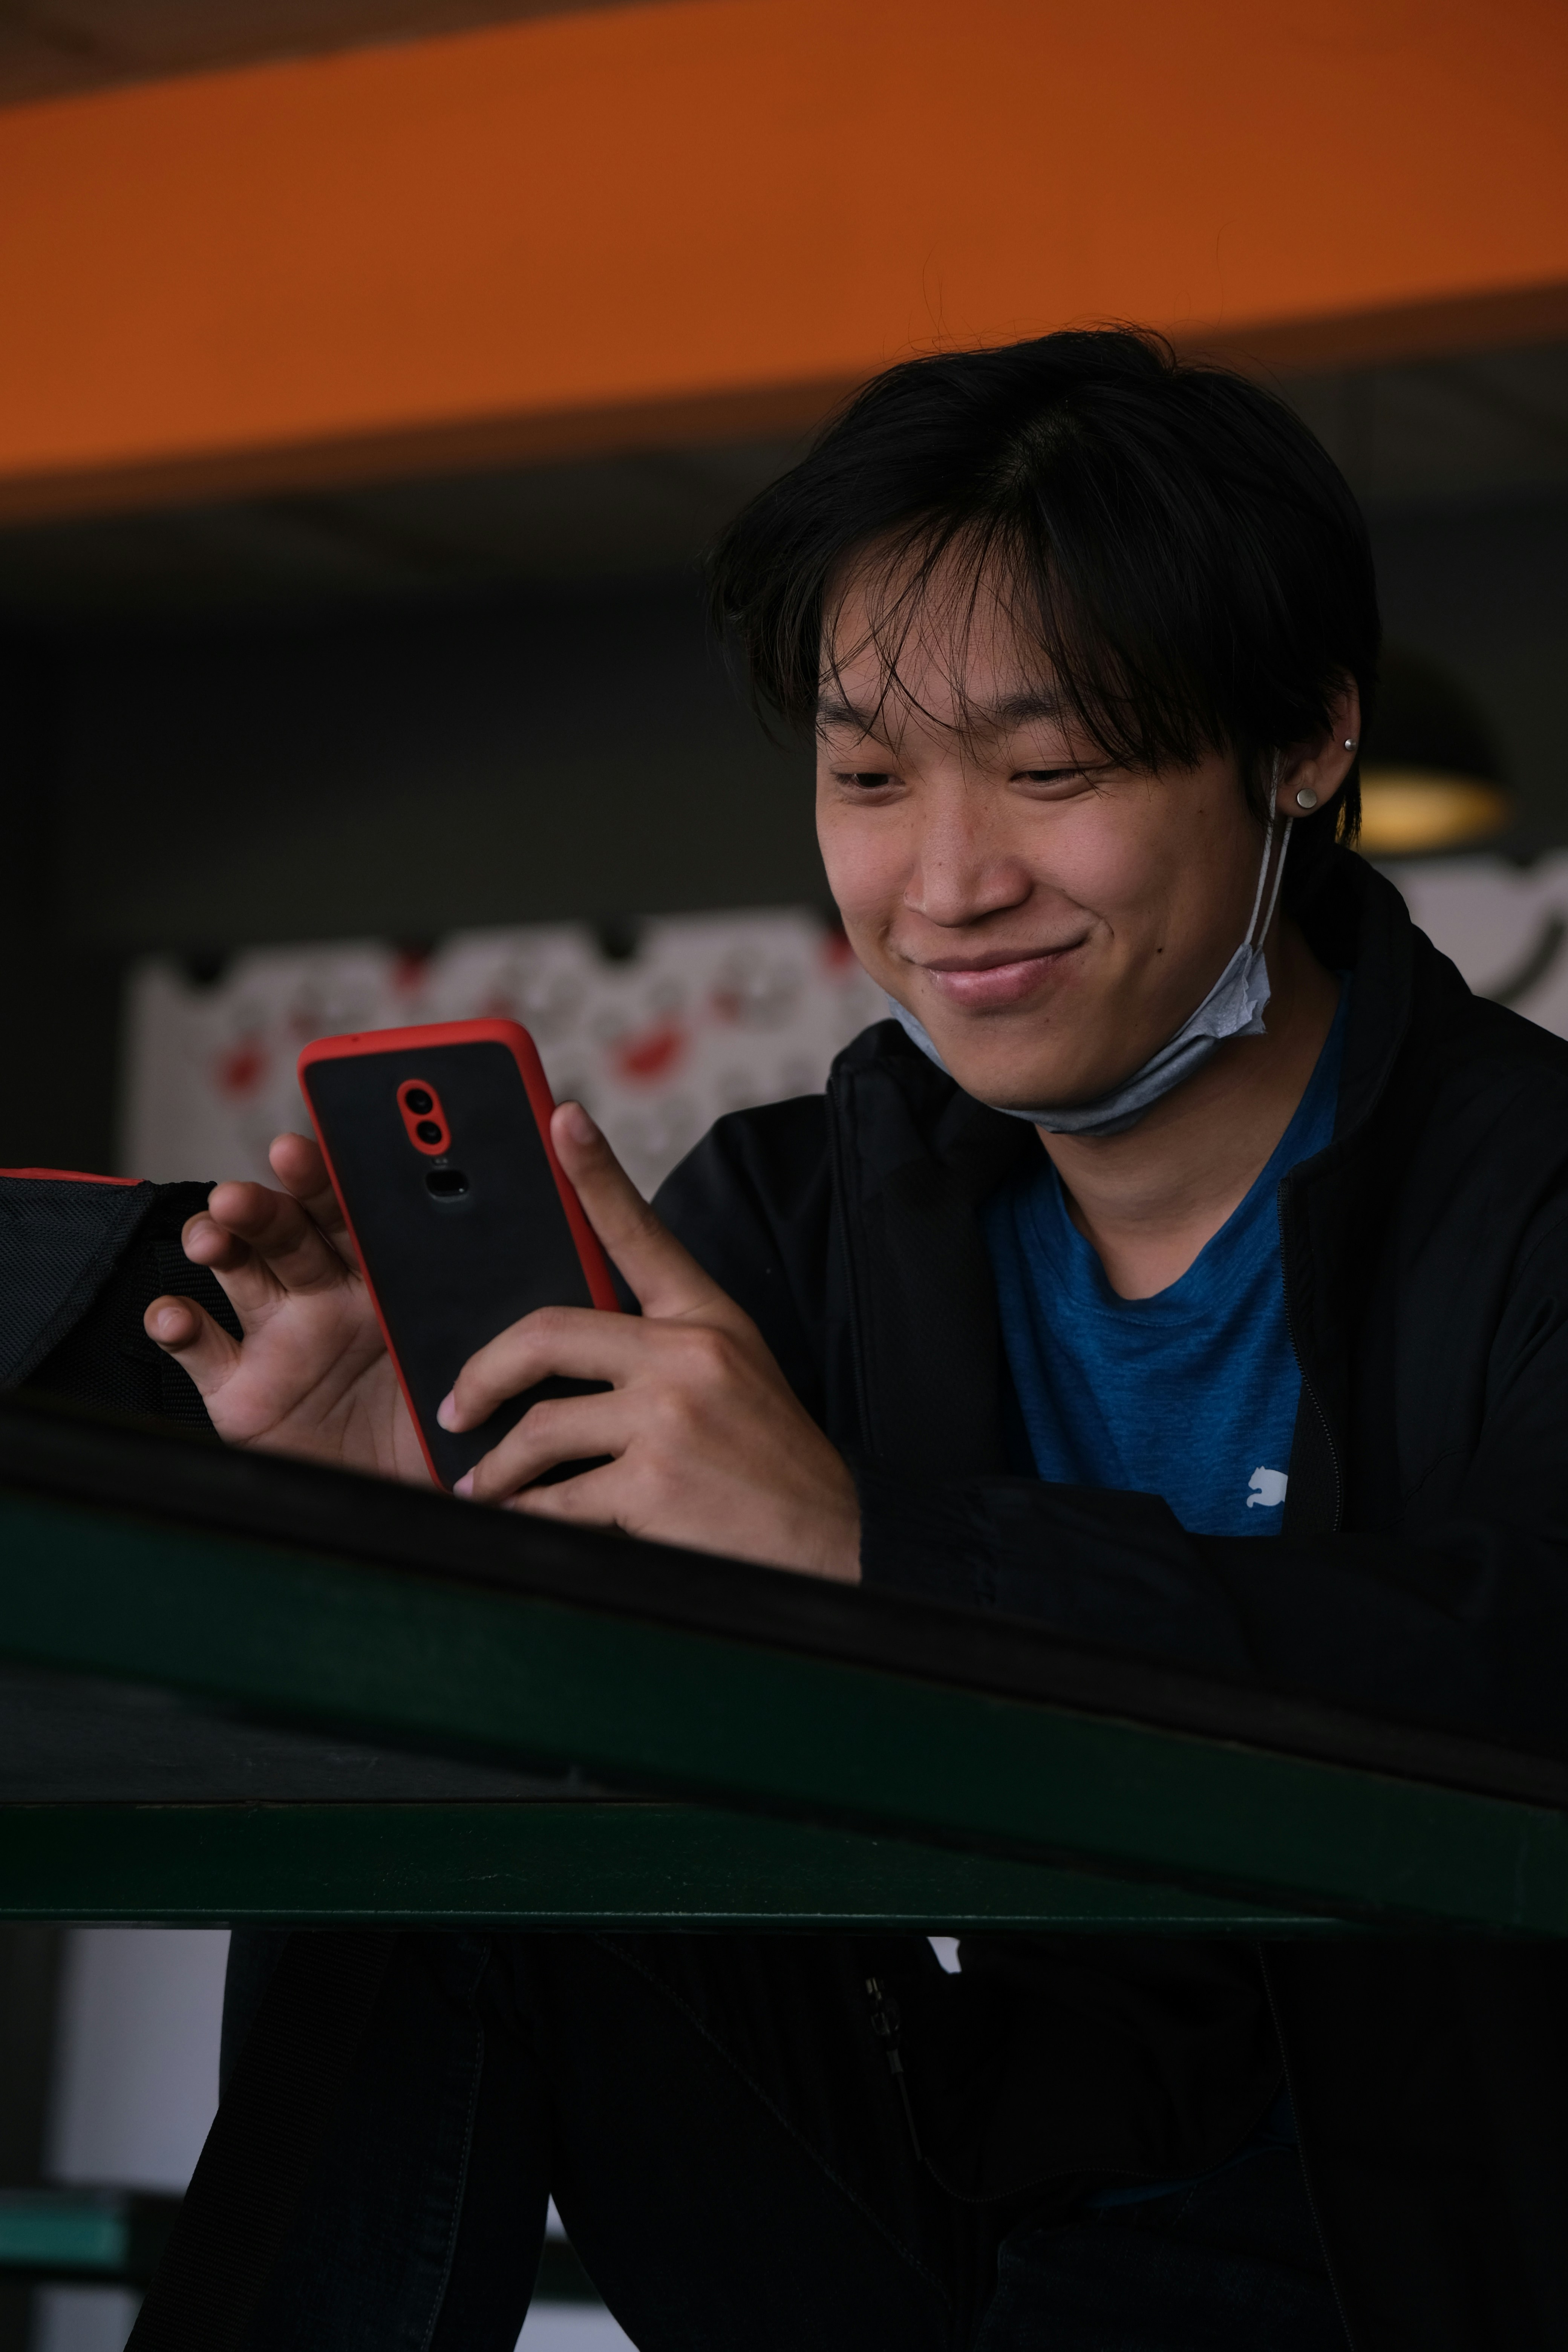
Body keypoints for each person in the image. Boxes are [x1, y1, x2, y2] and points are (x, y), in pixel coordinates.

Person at [18, 328, 1568, 2348]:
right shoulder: (801, 1212)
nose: (946, 881)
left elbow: (1520, 1659)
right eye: (865, 774)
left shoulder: (1530, 1193)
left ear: (1304, 743)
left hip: (1463, 2277)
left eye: (1054, 767)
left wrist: (875, 1547)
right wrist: (426, 1542)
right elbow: (613, 1686)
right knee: (462, 1791)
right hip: (966, 2250)